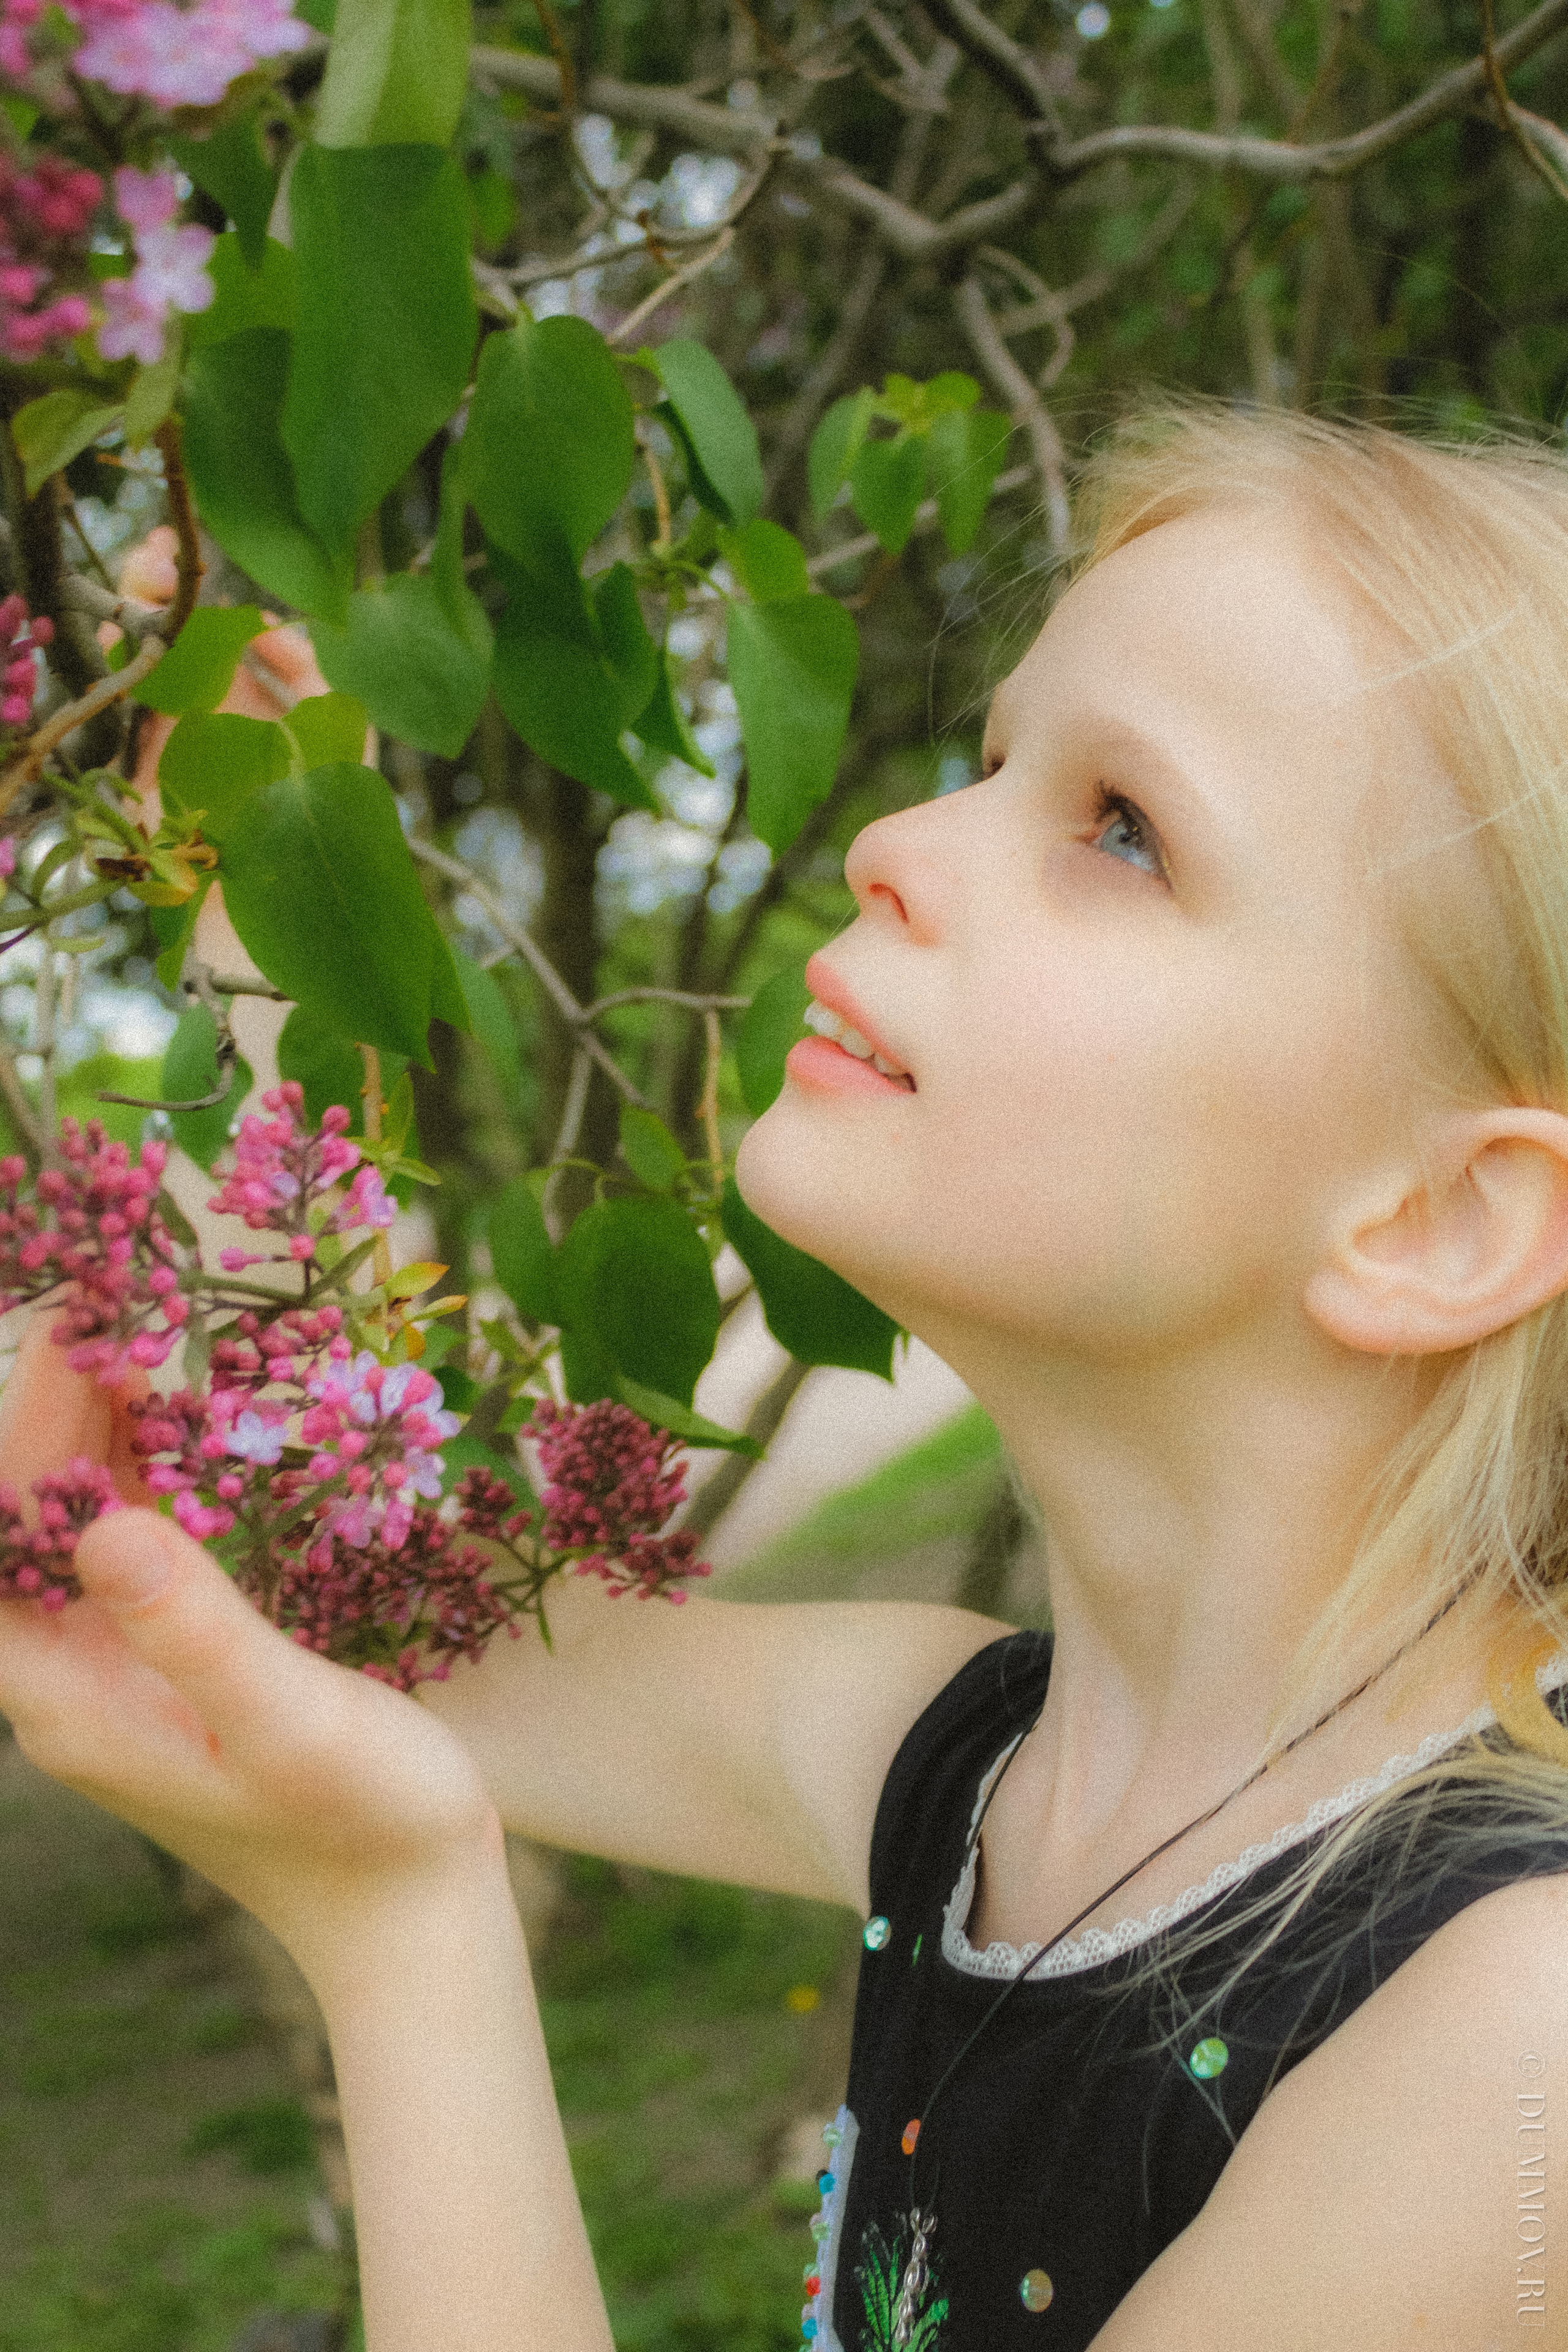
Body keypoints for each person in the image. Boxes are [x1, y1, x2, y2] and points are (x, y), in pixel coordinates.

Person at [3, 401, 1568, 2352]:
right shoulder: (965, 1764)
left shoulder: (1513, 2061)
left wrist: (401, 1937)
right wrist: (255, 897)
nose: (893, 843)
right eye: (988, 762)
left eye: (1124, 830)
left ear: (1436, 1224)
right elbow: (350, 1590)